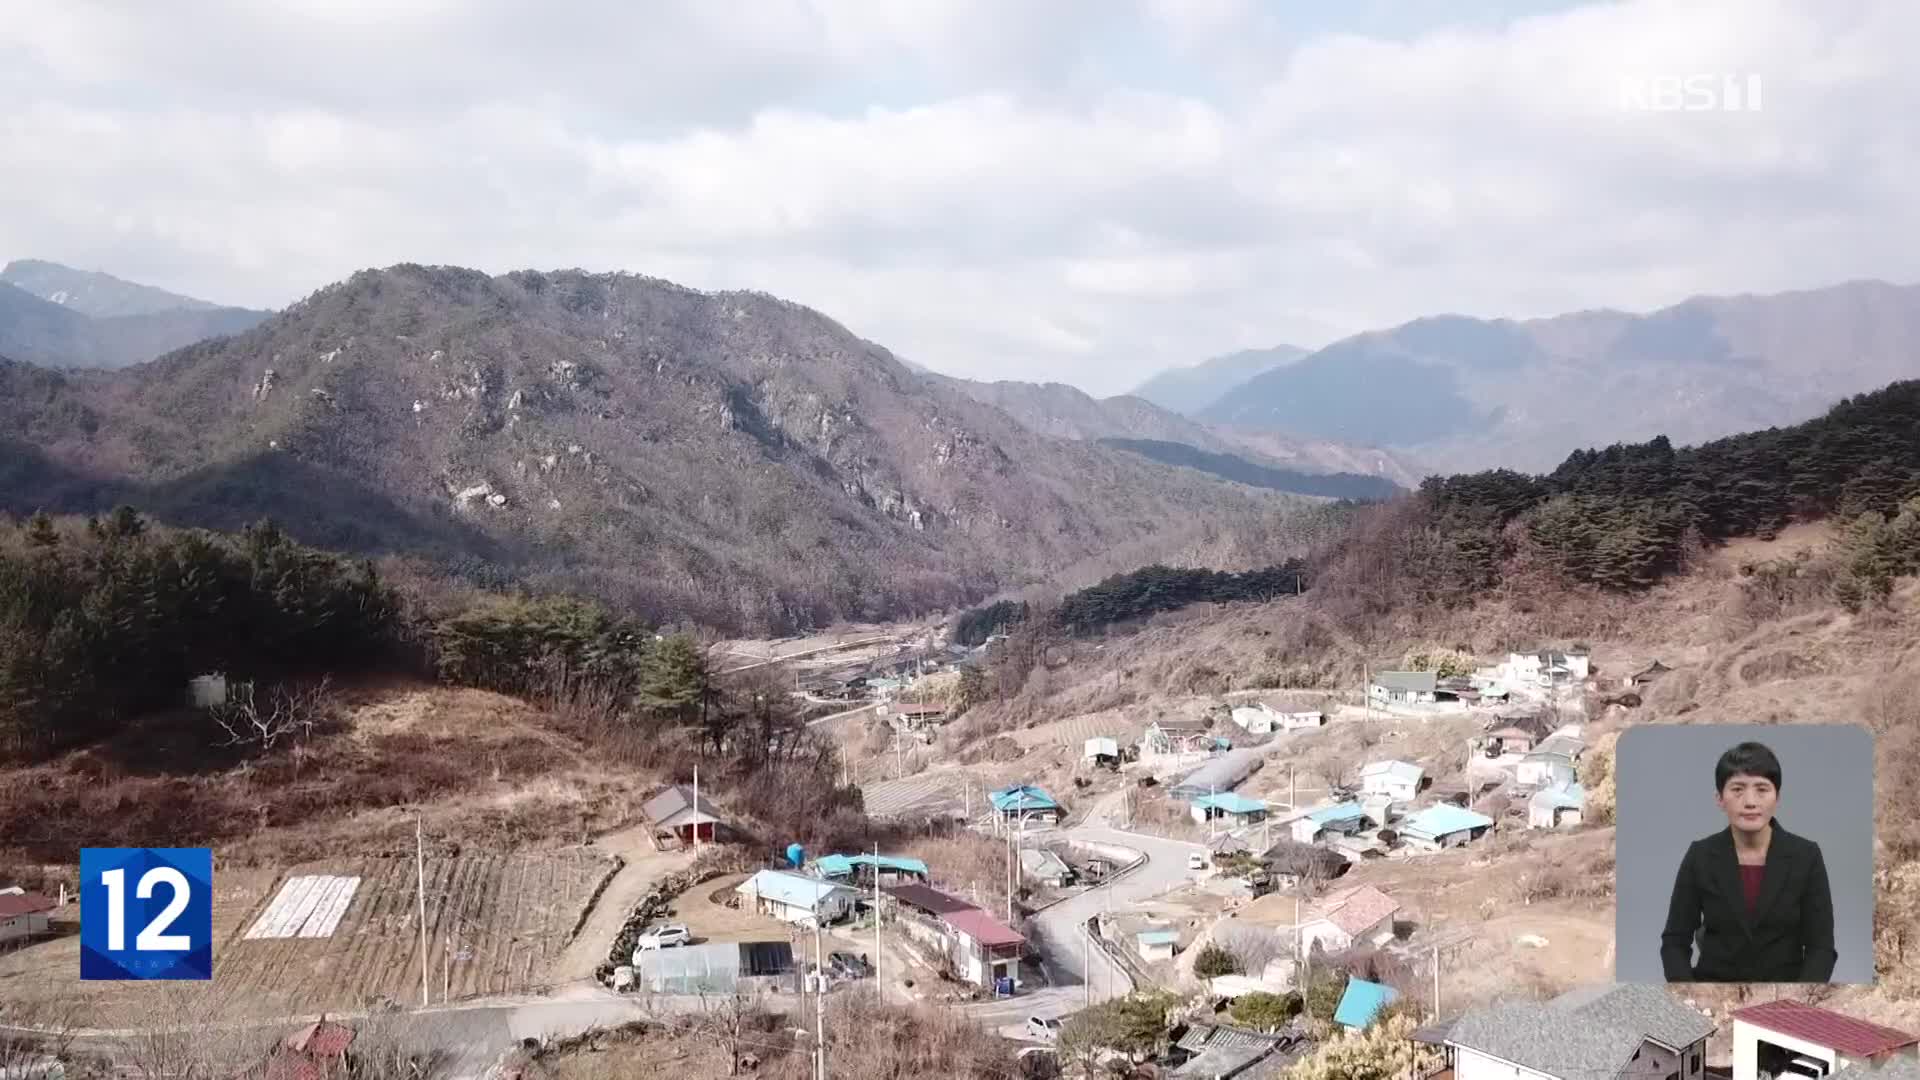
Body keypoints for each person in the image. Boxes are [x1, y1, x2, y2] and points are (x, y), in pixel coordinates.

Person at [1659, 741, 1836, 982]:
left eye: (1762, 789)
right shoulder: (1700, 855)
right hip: (1714, 984)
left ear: (1777, 797)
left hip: (1785, 991)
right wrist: (1689, 991)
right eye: (1737, 789)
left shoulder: (1806, 856)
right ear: (1720, 799)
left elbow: (1821, 947)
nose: (1750, 801)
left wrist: (1799, 997)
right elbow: (1674, 942)